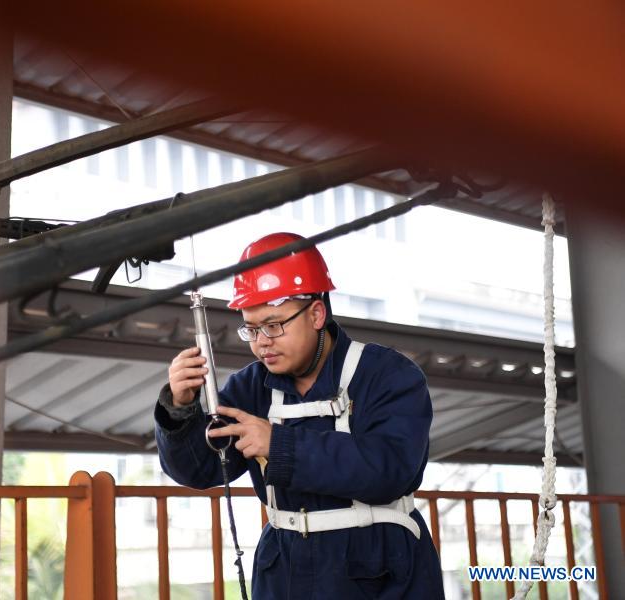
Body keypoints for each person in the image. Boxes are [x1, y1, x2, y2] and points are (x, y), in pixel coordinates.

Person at [155, 232, 445, 599]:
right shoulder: (251, 387)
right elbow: (202, 469)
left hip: (380, 571)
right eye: (252, 328)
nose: (262, 341)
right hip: (284, 573)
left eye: (274, 325)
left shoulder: (389, 375)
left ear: (316, 313)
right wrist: (179, 407)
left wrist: (279, 446)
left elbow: (390, 468)